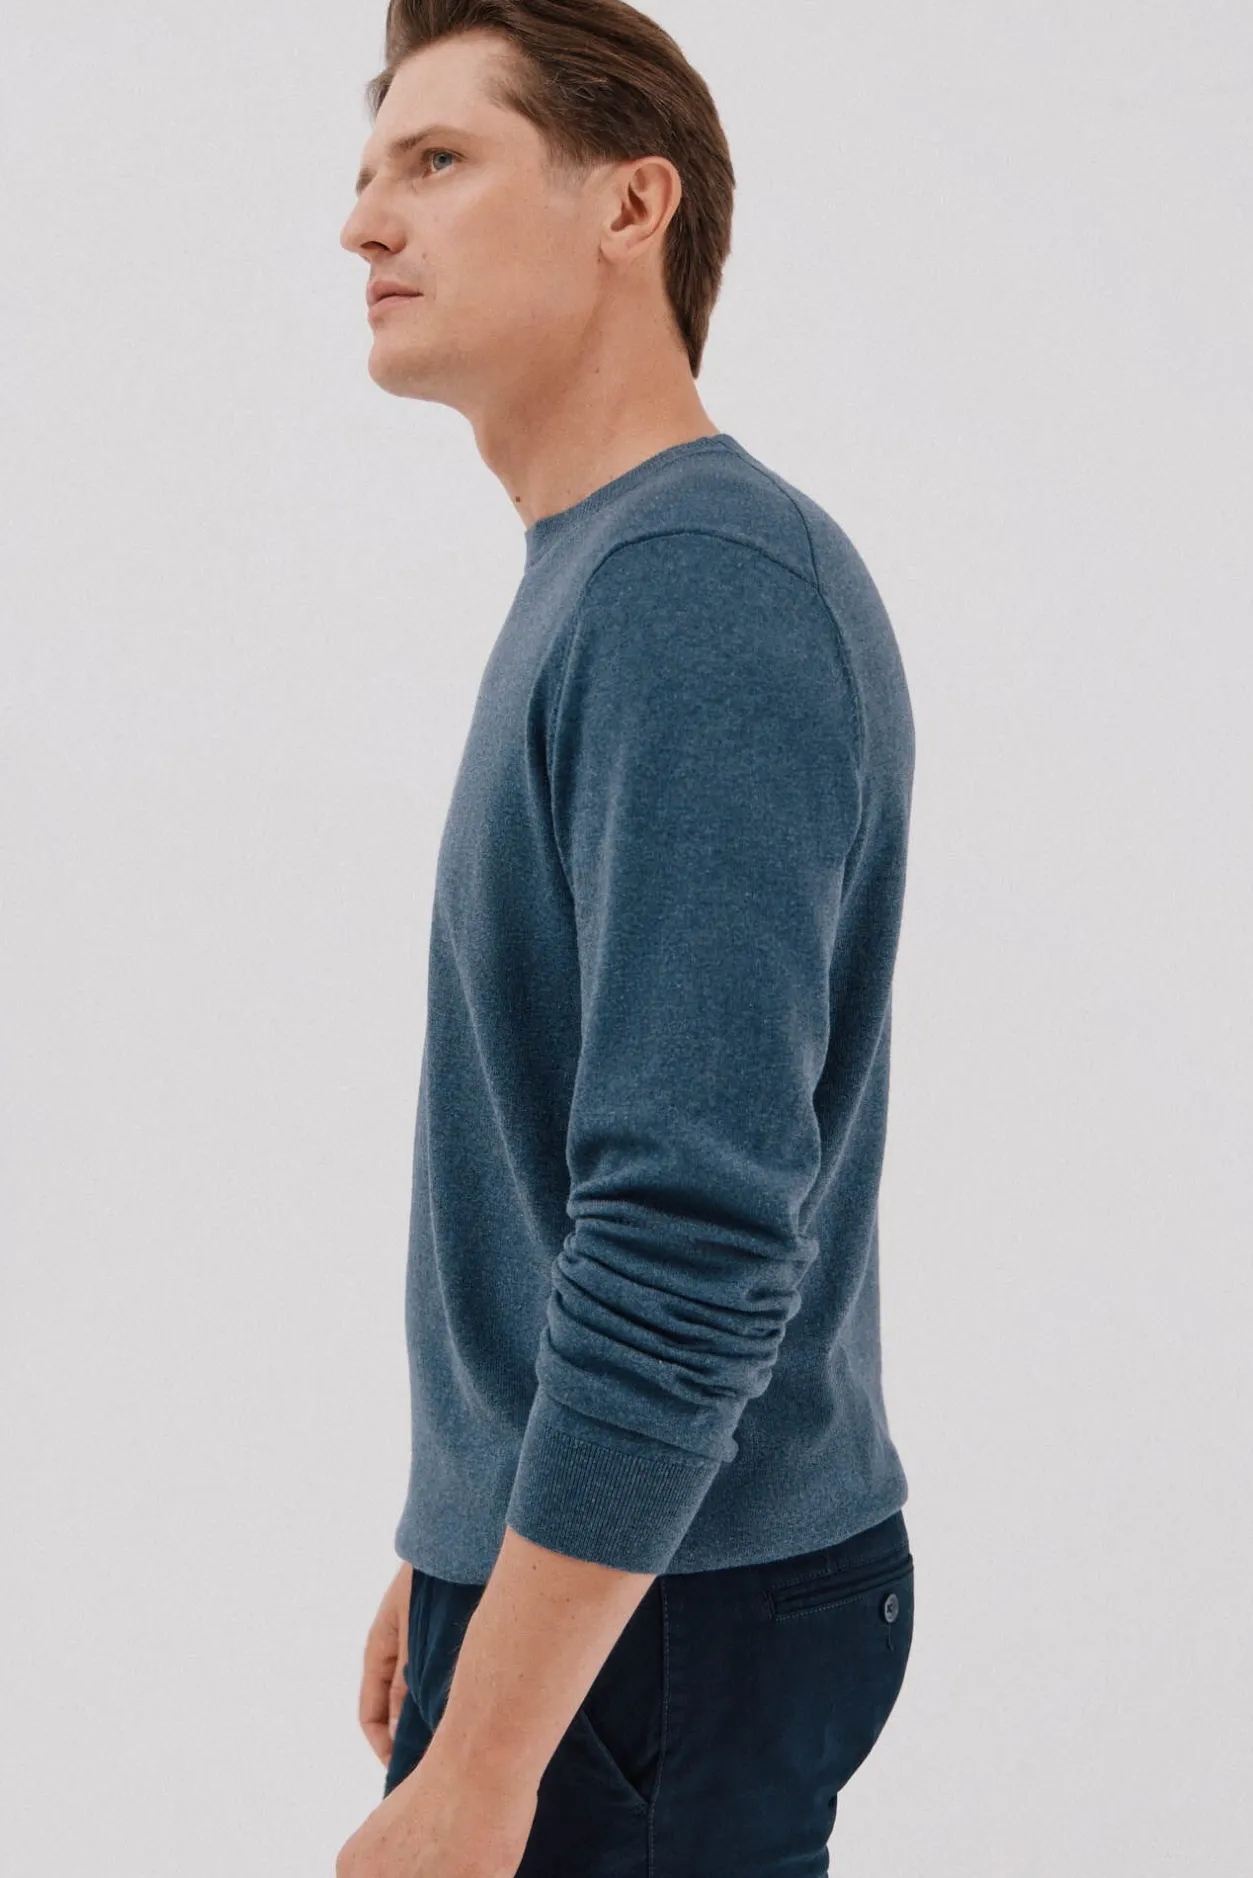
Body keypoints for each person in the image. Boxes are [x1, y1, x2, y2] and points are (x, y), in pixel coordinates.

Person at [336, 5, 916, 1874]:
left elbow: (690, 1230)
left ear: (629, 205)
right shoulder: (614, 571)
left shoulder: (695, 591)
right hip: (620, 1593)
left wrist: (492, 1745)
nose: (363, 220)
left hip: (668, 1623)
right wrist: (467, 1540)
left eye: (439, 160)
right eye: (369, 168)